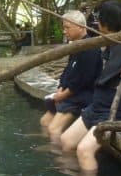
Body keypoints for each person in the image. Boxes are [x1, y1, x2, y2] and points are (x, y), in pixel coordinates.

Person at [60, 0, 121, 171]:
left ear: (104, 22)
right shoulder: (105, 41)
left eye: (98, 19)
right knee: (66, 141)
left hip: (120, 108)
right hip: (98, 106)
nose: (96, 23)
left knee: (84, 150)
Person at [40, 10, 102, 138]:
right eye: (64, 28)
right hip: (70, 93)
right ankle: (51, 148)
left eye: (67, 27)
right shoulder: (76, 47)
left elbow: (84, 79)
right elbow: (68, 71)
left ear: (80, 27)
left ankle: (58, 154)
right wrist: (61, 87)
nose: (64, 31)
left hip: (83, 96)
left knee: (53, 128)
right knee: (44, 122)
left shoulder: (90, 48)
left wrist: (63, 95)